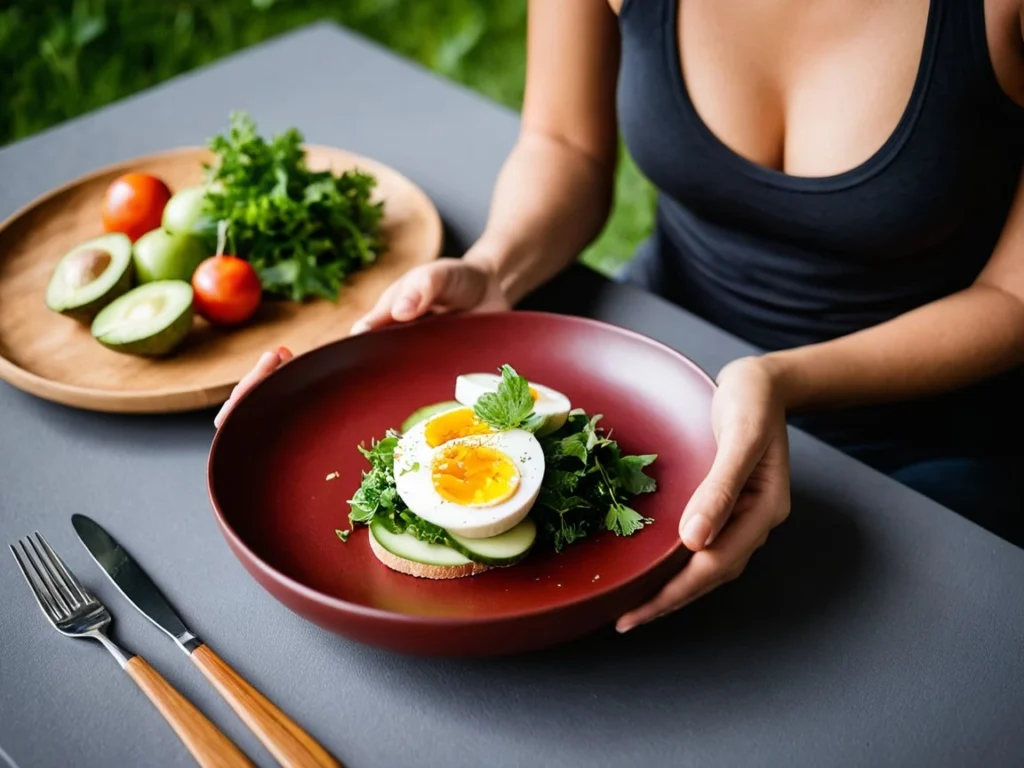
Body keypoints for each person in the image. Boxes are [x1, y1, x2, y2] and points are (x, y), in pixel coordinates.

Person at [215, 0, 1024, 632]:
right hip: (651, 366)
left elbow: (1011, 299)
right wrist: (498, 264)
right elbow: (566, 144)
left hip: (926, 436)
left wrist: (779, 378)